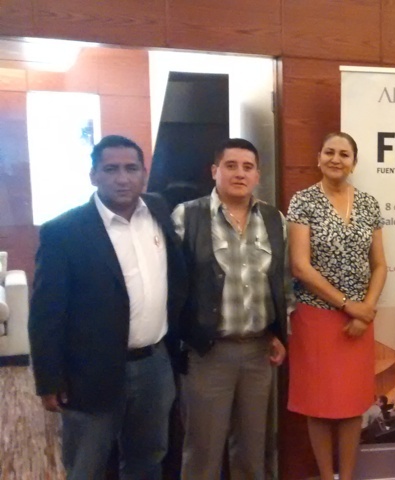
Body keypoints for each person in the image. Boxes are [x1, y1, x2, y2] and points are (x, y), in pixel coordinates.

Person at [28, 135, 187, 479]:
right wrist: (48, 379)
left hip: (154, 366)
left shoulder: (158, 210)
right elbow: (46, 313)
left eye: (131, 169)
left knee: (148, 460)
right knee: (87, 465)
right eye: (111, 169)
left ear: (144, 174)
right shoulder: (64, 231)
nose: (122, 178)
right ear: (93, 175)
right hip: (90, 371)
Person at [173, 138, 289, 480]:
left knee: (254, 452)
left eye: (248, 167)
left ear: (257, 175)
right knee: (203, 453)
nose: (240, 173)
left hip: (258, 353)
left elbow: (283, 282)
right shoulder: (187, 216)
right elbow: (173, 286)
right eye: (231, 166)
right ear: (215, 171)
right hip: (207, 353)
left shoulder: (274, 219)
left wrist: (278, 333)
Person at [286, 132, 387, 480]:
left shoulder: (369, 204)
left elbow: (380, 265)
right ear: (318, 158)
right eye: (329, 152)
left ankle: (347, 475)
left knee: (352, 405)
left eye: (344, 154)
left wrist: (366, 309)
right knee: (318, 406)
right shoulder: (303, 201)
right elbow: (300, 266)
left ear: (354, 163)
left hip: (359, 322)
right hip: (316, 318)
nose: (336, 159)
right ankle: (326, 476)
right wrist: (348, 305)